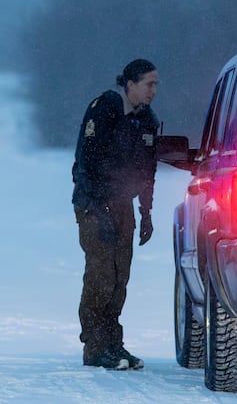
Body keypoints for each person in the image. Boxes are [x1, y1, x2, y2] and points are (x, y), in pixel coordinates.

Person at [71, 58, 159, 370]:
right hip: (94, 202)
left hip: (122, 204)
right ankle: (95, 347)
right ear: (130, 84)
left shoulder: (146, 119)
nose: (153, 90)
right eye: (149, 84)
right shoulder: (104, 108)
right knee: (101, 275)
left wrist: (146, 211)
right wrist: (99, 208)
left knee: (120, 275)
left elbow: (148, 169)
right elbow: (86, 162)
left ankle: (113, 342)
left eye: (156, 84)